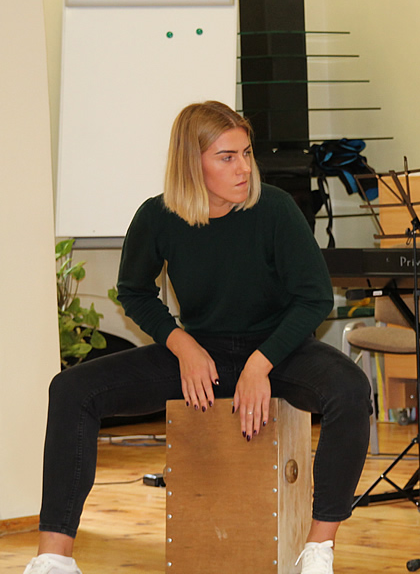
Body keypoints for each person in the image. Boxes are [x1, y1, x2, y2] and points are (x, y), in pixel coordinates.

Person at [26, 101, 372, 574]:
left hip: (278, 351)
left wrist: (260, 363)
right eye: (227, 157)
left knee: (350, 390)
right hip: (201, 353)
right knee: (71, 389)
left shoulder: (275, 209)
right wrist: (182, 345)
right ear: (193, 163)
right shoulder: (158, 216)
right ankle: (53, 558)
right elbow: (134, 291)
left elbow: (314, 298)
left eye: (246, 153)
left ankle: (318, 550)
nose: (244, 168)